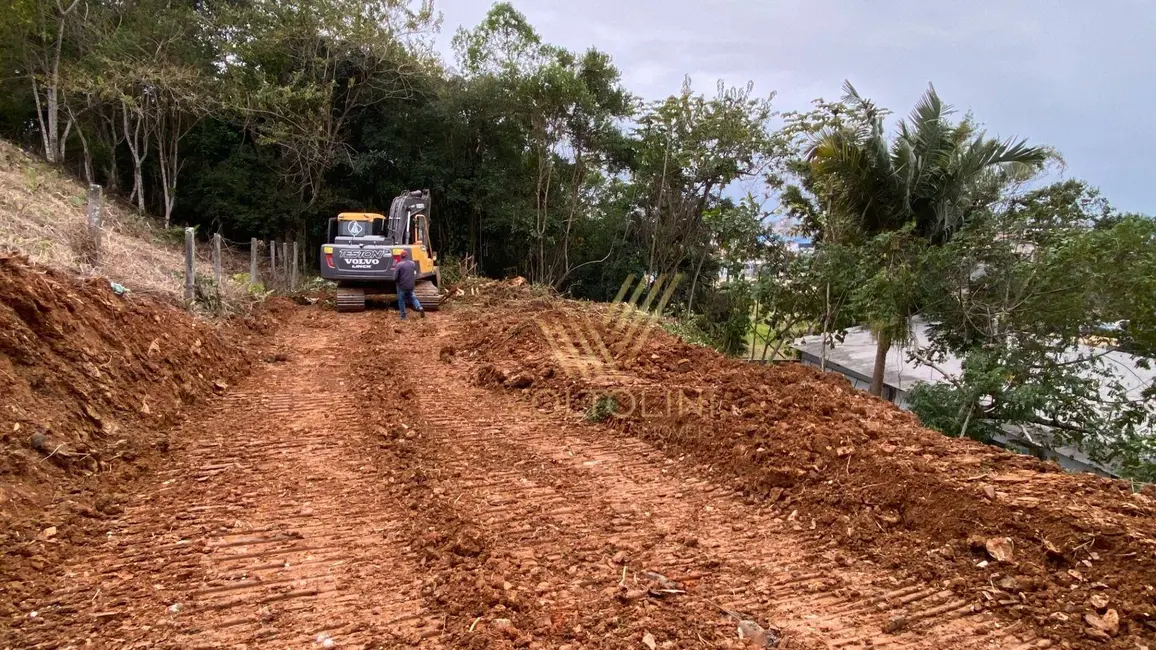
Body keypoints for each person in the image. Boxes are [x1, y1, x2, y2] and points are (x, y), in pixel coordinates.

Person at [393, 249, 425, 320]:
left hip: (402, 286)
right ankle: (419, 307)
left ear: (401, 257)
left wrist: (397, 282)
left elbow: (395, 277)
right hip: (411, 286)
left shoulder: (399, 265)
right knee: (413, 298)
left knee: (401, 300)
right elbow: (415, 274)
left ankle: (403, 316)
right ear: (407, 256)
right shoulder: (412, 264)